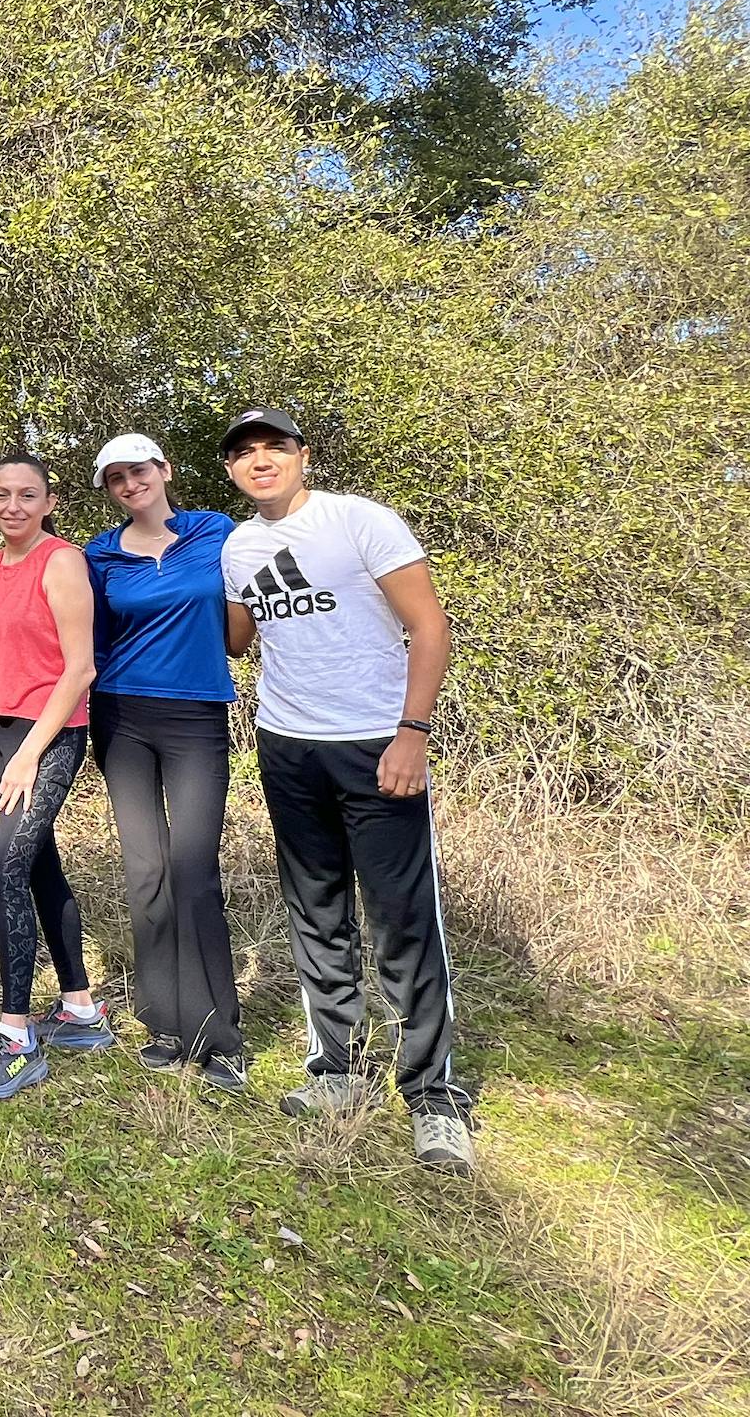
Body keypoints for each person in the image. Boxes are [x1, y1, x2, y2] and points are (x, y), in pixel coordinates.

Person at [219, 407, 472, 1173]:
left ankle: (435, 1098)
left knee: (402, 920)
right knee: (317, 911)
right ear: (231, 470)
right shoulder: (238, 546)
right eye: (244, 453)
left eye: (274, 447)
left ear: (302, 454)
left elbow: (431, 627)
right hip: (289, 746)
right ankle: (337, 1071)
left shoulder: (361, 522)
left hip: (376, 744)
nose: (260, 460)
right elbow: (239, 638)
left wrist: (412, 732)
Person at [84, 433, 246, 1091]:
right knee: (146, 867)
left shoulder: (217, 532)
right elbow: (86, 644)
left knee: (194, 868)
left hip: (197, 717)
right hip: (121, 718)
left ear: (165, 470)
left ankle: (220, 1034)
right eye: (117, 478)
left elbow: (246, 615)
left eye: (140, 470)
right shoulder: (99, 555)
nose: (131, 484)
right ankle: (166, 1025)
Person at [0, 453, 113, 1101]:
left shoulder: (62, 561)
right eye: (1, 494)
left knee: (5, 868)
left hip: (48, 736)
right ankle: (79, 1008)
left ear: (49, 502)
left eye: (27, 495)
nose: (13, 505)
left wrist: (29, 754)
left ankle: (16, 1037)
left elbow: (79, 670)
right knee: (39, 862)